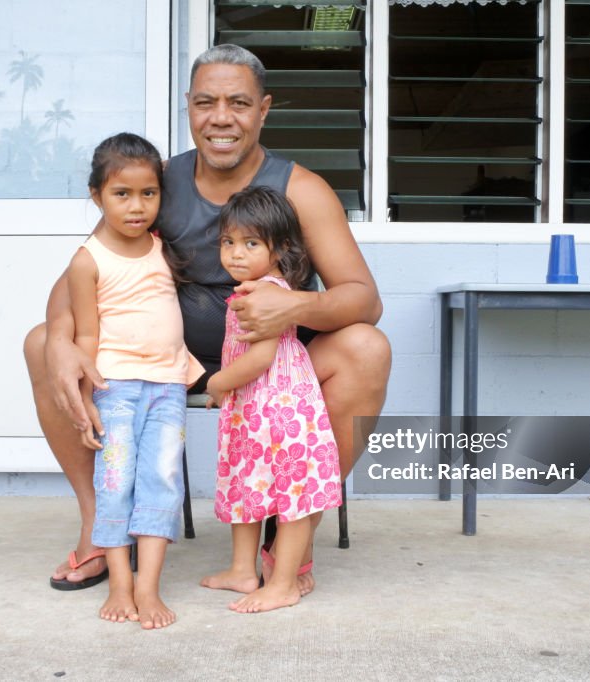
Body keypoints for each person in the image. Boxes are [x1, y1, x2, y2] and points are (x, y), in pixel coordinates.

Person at [24, 44, 390, 598]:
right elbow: (76, 278)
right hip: (173, 363)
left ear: (263, 110)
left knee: (367, 347)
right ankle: (102, 528)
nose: (222, 117)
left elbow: (364, 299)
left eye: (239, 103)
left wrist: (296, 305)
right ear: (189, 110)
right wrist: (59, 339)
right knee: (40, 342)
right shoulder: (156, 182)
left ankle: (295, 530)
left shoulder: (300, 189)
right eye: (206, 102)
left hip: (276, 367)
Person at [60, 132, 203, 629]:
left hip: (168, 386)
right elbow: (84, 337)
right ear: (96, 196)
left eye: (149, 193)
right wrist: (86, 399)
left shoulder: (164, 249)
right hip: (115, 389)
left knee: (161, 482)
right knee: (116, 483)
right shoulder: (88, 260)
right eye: (122, 194)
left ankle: (149, 586)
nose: (137, 206)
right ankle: (121, 582)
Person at [199, 186, 342, 613]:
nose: (235, 253)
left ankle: (282, 583)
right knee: (249, 487)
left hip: (280, 412)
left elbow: (260, 357)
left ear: (279, 249)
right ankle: (242, 570)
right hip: (256, 411)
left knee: (291, 497)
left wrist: (218, 382)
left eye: (250, 243)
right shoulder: (252, 288)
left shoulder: (261, 295)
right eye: (228, 242)